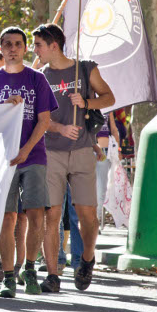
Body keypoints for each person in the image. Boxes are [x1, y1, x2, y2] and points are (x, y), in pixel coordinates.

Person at [0, 27, 57, 298]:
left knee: (36, 215)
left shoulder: (37, 79)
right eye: (7, 44)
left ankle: (31, 269)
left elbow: (44, 120)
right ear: (0, 48)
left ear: (25, 48)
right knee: (6, 217)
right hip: (2, 161)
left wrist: (26, 149)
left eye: (18, 44)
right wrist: (4, 110)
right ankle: (9, 276)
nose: (12, 48)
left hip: (33, 157)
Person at [33, 23, 114, 292]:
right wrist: (59, 128)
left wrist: (87, 103)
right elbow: (38, 118)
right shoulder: (39, 76)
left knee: (86, 215)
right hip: (51, 151)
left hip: (82, 149)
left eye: (39, 45)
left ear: (53, 45)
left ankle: (87, 260)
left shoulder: (85, 68)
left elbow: (109, 97)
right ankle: (53, 275)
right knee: (51, 215)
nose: (36, 51)